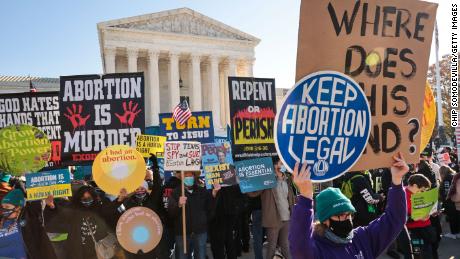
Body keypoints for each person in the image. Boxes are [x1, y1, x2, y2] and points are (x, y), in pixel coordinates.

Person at [289, 152, 409, 259]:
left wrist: (397, 181)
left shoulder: (362, 238)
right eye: (340, 215)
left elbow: (395, 219)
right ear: (325, 220)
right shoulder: (317, 249)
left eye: (349, 214)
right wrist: (305, 197)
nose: (347, 219)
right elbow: (299, 246)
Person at [44, 185, 125, 259]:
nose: (87, 201)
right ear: (78, 199)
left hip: (99, 249)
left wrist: (119, 199)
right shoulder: (73, 211)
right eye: (84, 199)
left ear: (94, 198)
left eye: (89, 198)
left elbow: (108, 209)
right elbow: (61, 215)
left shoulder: (98, 209)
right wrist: (52, 207)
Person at [248, 157, 295, 259]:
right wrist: (244, 183)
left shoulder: (287, 179)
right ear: (274, 165)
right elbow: (253, 193)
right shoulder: (267, 179)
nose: (283, 166)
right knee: (271, 248)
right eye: (281, 163)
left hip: (287, 218)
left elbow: (290, 198)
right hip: (273, 219)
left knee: (286, 247)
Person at [168, 171, 216, 259]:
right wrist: (178, 205)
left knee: (201, 256)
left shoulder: (203, 191)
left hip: (200, 232)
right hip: (182, 233)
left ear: (194, 177)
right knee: (182, 256)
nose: (188, 177)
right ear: (182, 177)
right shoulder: (175, 193)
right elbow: (171, 213)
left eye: (191, 175)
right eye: (186, 175)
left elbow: (211, 209)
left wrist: (203, 221)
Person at [0, 189, 57, 259]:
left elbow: (39, 210)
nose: (4, 209)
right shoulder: (1, 220)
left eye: (7, 207)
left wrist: (50, 206)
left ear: (18, 207)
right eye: (3, 207)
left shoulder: (29, 218)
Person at [403, 174, 437, 259]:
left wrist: (432, 211)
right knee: (416, 253)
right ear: (414, 186)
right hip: (413, 230)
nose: (423, 193)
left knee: (430, 251)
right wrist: (416, 218)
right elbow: (400, 217)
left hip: (426, 228)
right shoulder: (402, 195)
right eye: (421, 190)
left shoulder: (418, 192)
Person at [444, 173, 460, 239]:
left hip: (457, 203)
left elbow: (459, 194)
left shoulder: (458, 178)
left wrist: (453, 198)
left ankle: (454, 233)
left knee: (454, 217)